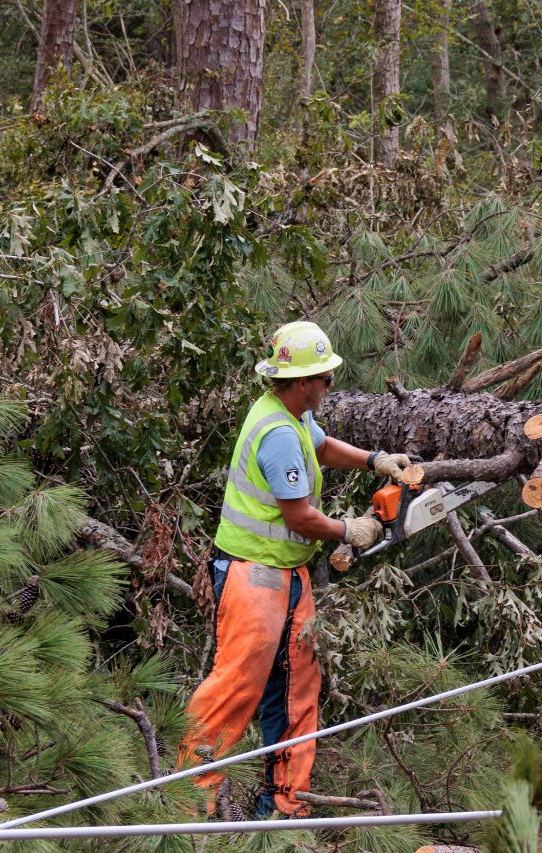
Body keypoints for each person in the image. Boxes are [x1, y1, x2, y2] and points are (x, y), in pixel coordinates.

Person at [177, 320, 410, 818]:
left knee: (300, 684)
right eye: (324, 377)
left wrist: (374, 460)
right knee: (237, 684)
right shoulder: (278, 432)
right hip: (253, 574)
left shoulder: (294, 414)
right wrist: (350, 530)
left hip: (289, 574)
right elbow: (299, 516)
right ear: (304, 381)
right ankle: (187, 801)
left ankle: (285, 802)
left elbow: (322, 447)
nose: (329, 384)